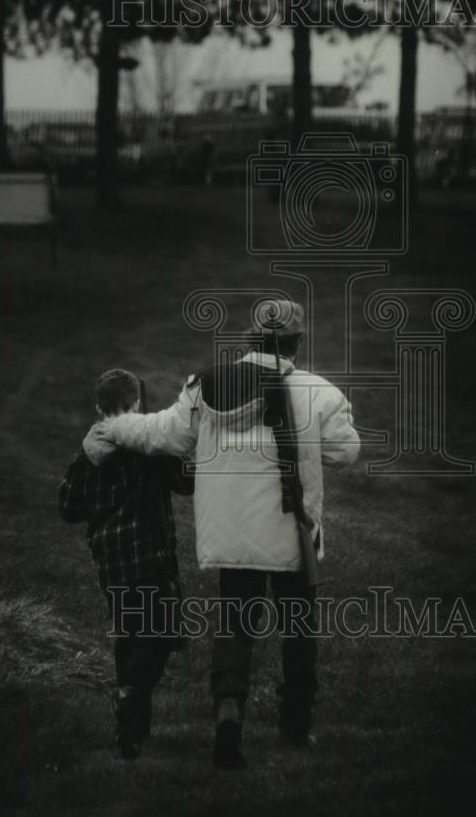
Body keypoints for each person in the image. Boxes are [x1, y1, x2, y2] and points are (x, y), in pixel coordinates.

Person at [94, 301, 360, 769]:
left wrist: (114, 424)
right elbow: (346, 452)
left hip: (233, 533)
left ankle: (228, 713)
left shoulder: (204, 385)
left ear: (249, 340)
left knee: (235, 623)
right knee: (298, 628)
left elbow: (163, 436)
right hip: (292, 532)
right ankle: (296, 725)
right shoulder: (318, 391)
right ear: (296, 342)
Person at [58, 368, 193, 760]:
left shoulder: (87, 452)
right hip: (149, 556)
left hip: (112, 564)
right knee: (162, 635)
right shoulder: (149, 446)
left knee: (130, 637)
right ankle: (131, 697)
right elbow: (187, 481)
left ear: (99, 409)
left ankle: (130, 734)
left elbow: (68, 507)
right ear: (137, 405)